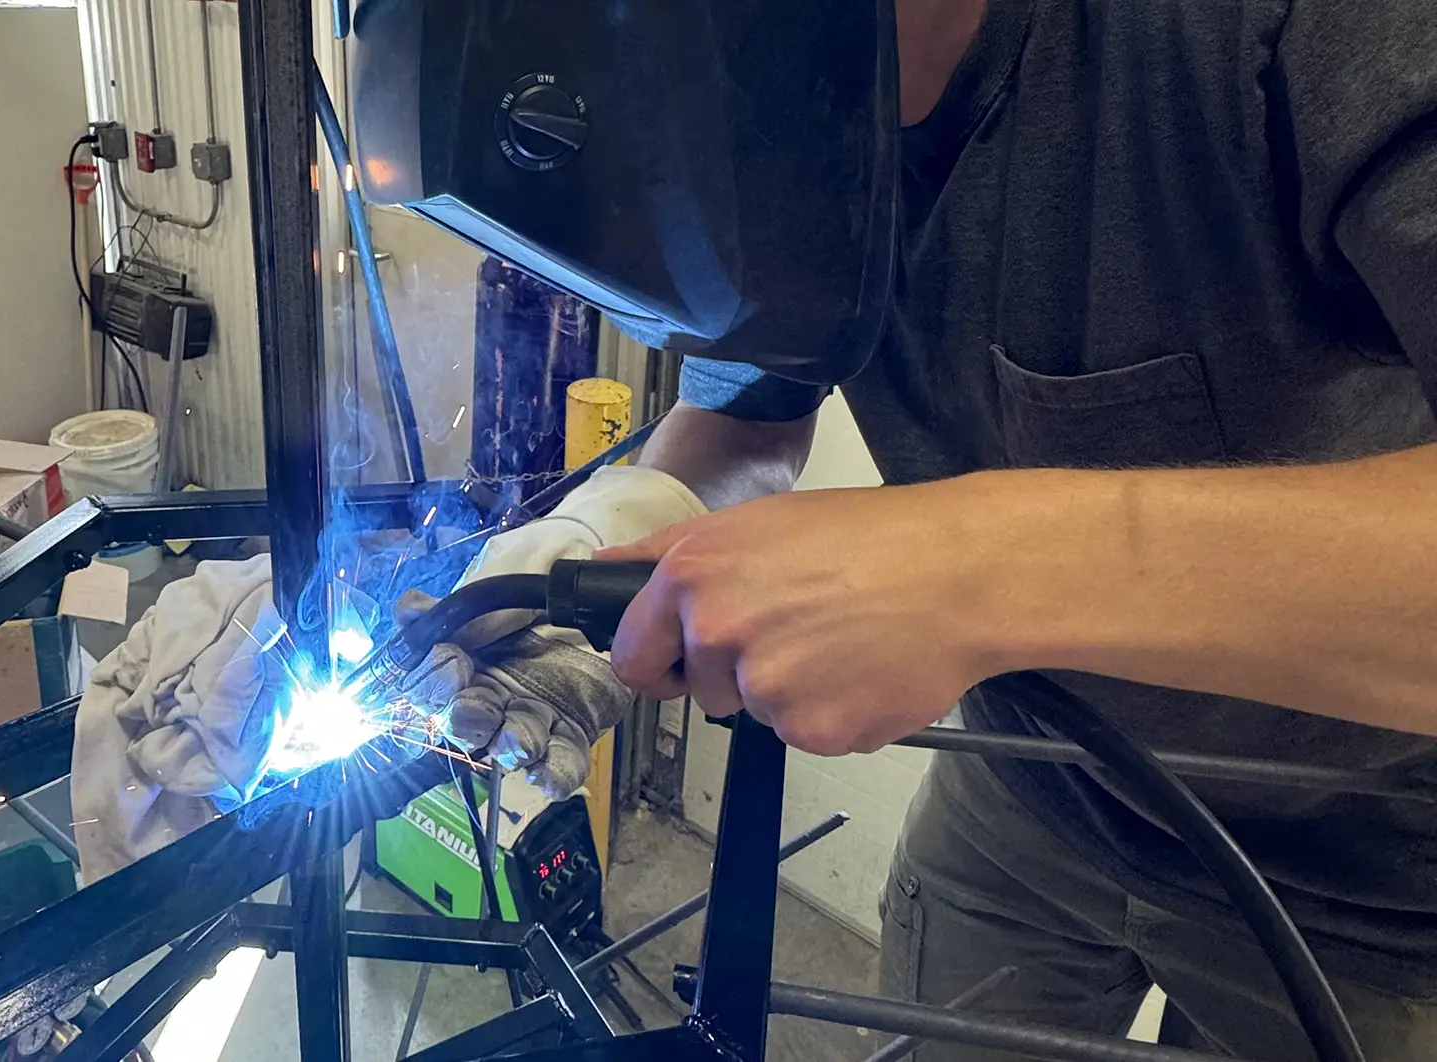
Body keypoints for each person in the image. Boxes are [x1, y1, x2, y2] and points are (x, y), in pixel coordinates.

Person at [431, 0, 1437, 1058]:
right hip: (1027, 789)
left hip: (1363, 885)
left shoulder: (1315, 30)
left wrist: (981, 567)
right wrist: (624, 527)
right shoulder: (766, 94)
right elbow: (745, 415)